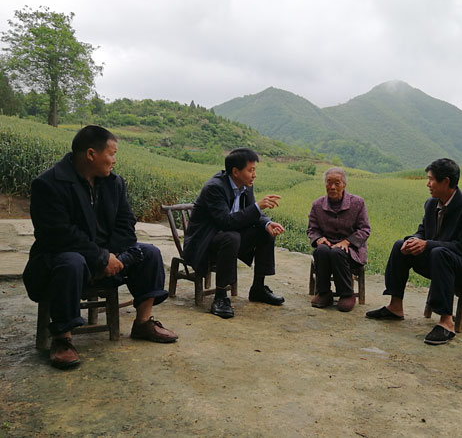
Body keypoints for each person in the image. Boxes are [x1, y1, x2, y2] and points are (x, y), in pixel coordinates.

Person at [23, 125, 178, 370]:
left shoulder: (114, 183)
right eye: (111, 154)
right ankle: (62, 338)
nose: (114, 160)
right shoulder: (48, 184)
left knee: (150, 253)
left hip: (107, 255)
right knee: (71, 262)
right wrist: (100, 258)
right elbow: (58, 234)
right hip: (59, 258)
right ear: (91, 154)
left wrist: (112, 257)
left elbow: (126, 223)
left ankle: (143, 323)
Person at [365, 158, 462, 345]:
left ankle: (446, 322)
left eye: (431, 179)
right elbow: (423, 231)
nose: (428, 184)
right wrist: (414, 240)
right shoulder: (432, 204)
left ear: (446, 181)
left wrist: (427, 244)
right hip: (441, 261)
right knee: (401, 245)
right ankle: (395, 307)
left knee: (439, 253)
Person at [183, 148, 286, 319]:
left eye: (255, 170)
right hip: (205, 242)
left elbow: (252, 213)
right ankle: (220, 296)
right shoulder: (215, 188)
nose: (254, 175)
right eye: (250, 170)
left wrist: (267, 223)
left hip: (229, 240)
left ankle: (258, 288)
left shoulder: (246, 186)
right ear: (236, 172)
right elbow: (226, 222)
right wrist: (257, 207)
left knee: (265, 232)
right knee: (231, 237)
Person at [307, 167, 370, 312]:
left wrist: (347, 242)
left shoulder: (357, 203)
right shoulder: (317, 205)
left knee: (337, 252)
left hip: (351, 249)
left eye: (337, 183)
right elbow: (312, 229)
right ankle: (323, 293)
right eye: (329, 182)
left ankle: (347, 294)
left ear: (344, 185)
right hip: (327, 245)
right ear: (325, 184)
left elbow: (364, 229)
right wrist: (319, 239)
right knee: (321, 251)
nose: (332, 187)